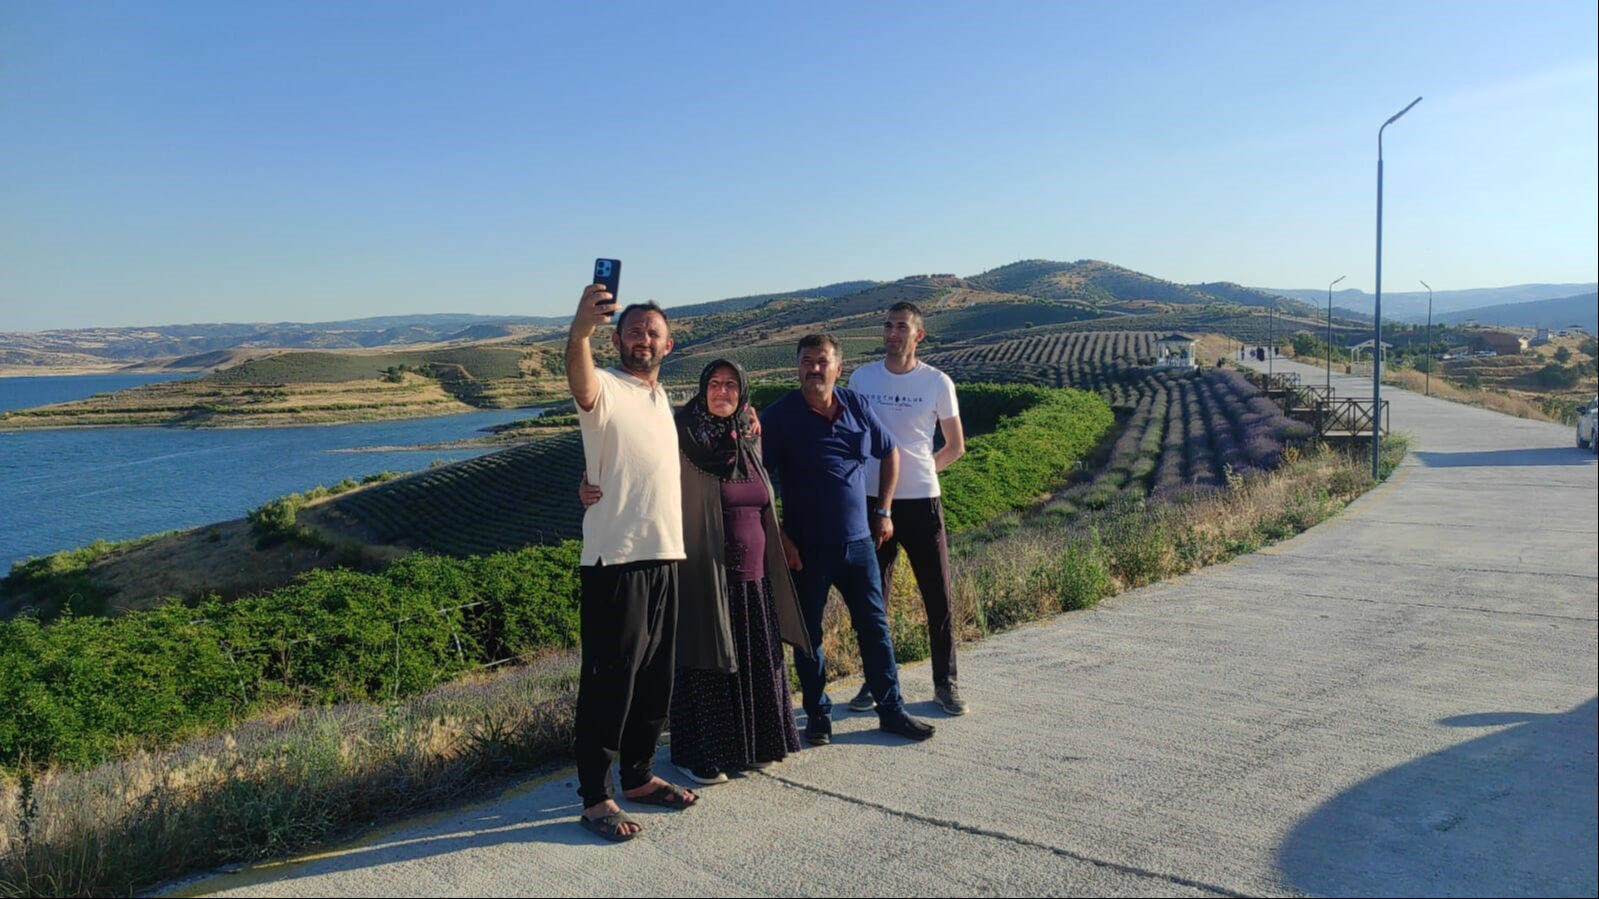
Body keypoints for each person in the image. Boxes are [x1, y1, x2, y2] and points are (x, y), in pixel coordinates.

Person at [581, 359, 811, 786]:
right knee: (706, 660)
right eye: (714, 384)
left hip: (755, 575)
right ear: (702, 389)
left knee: (755, 661)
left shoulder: (749, 437)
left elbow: (762, 499)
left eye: (730, 385)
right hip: (705, 570)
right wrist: (590, 480)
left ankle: (756, 744)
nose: (722, 392)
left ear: (742, 392)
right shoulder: (682, 435)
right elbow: (632, 455)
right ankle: (699, 754)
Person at [566, 285, 698, 843]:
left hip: (665, 553)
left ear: (668, 346)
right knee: (608, 683)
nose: (643, 339)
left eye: (653, 333)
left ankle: (639, 776)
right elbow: (579, 374)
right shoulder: (606, 389)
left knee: (653, 679)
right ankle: (596, 798)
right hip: (614, 559)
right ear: (617, 339)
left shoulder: (660, 397)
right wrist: (579, 331)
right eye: (634, 330)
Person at [759, 333, 936, 746]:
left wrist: (884, 510)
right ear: (797, 367)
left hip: (860, 545)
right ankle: (818, 716)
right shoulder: (779, 416)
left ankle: (891, 710)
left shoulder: (856, 405)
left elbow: (889, 452)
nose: (814, 369)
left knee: (875, 628)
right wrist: (780, 536)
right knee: (809, 636)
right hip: (806, 548)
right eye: (806, 361)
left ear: (839, 368)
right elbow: (759, 481)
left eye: (822, 361)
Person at [844, 302, 969, 716]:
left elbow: (955, 446)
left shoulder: (938, 382)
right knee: (872, 599)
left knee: (938, 596)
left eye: (902, 326)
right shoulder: (862, 379)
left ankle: (945, 683)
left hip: (921, 503)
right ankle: (876, 681)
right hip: (872, 502)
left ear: (919, 335)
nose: (893, 333)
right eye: (888, 325)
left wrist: (919, 472)